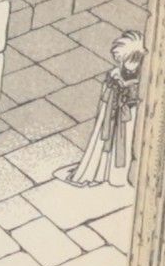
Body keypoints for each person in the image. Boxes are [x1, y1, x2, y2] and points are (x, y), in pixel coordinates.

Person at [55, 29, 144, 189]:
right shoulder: (115, 74)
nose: (129, 66)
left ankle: (118, 174)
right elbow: (107, 96)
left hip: (128, 114)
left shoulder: (139, 73)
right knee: (111, 143)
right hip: (115, 114)